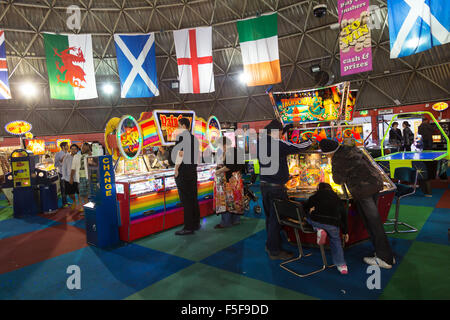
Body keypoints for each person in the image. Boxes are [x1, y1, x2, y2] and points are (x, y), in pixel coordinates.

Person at [319, 139, 395, 269]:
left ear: (328, 153)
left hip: (363, 190)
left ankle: (385, 258)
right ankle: (384, 254)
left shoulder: (337, 159)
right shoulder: (351, 148)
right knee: (372, 221)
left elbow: (337, 180)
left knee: (373, 223)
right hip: (375, 183)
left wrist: (332, 166)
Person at [258, 120, 312, 260]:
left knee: (270, 217)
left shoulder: (262, 141)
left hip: (264, 185)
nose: (282, 135)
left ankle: (270, 244)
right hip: (276, 188)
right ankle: (274, 251)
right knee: (276, 219)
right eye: (281, 132)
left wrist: (290, 127)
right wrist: (312, 138)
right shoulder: (278, 144)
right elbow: (298, 147)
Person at [303, 182, 349, 275]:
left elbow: (305, 207)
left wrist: (310, 210)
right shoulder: (337, 198)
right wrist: (345, 232)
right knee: (336, 241)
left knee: (307, 217)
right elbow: (344, 215)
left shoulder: (316, 195)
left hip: (317, 220)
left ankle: (318, 229)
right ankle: (342, 266)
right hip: (333, 223)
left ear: (318, 188)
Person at [172, 117, 201, 235]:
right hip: (193, 171)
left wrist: (176, 169)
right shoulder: (194, 138)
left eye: (178, 126)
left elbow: (181, 153)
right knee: (193, 198)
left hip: (184, 172)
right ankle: (196, 223)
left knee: (186, 201)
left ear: (183, 126)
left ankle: (188, 227)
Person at [214, 137, 246, 229]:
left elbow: (229, 166)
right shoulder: (234, 150)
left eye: (219, 146)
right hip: (236, 179)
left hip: (230, 180)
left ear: (224, 145)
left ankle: (226, 222)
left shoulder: (230, 152)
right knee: (236, 199)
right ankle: (236, 220)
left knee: (228, 200)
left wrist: (218, 171)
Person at [71, 142, 92, 213]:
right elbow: (73, 168)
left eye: (86, 147)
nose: (84, 148)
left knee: (91, 194)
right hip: (80, 178)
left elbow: (94, 166)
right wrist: (71, 177)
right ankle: (87, 210)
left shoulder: (91, 155)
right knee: (84, 195)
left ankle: (91, 210)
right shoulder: (76, 156)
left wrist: (91, 156)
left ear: (88, 148)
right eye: (83, 147)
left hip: (89, 177)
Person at [63, 144, 79, 210]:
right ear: (70, 150)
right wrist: (64, 177)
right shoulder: (67, 157)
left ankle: (80, 205)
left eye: (75, 149)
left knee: (79, 192)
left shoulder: (79, 157)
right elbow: (64, 167)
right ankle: (74, 201)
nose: (73, 150)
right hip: (68, 178)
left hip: (77, 177)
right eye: (72, 149)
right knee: (70, 193)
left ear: (77, 150)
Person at [55, 142, 69, 208]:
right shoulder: (58, 154)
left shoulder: (68, 153)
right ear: (63, 147)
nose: (68, 146)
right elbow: (56, 164)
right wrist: (61, 161)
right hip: (62, 173)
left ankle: (66, 201)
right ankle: (64, 203)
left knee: (67, 188)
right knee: (63, 188)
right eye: (67, 145)